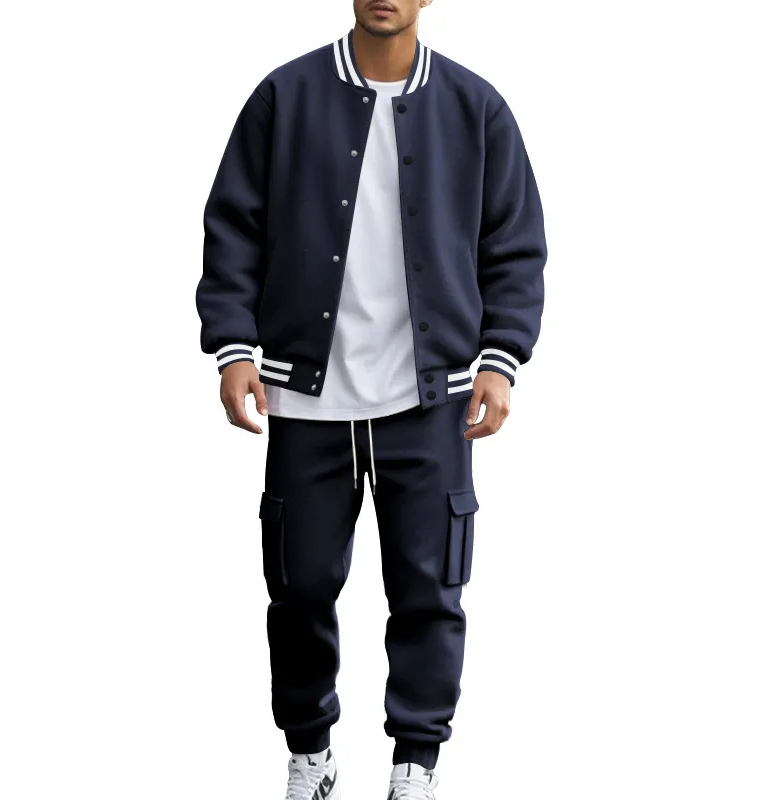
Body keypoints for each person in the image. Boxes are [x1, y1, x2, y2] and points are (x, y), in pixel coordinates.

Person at [196, 0, 547, 797]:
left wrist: (500, 361)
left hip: (430, 400)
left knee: (430, 593)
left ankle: (414, 767)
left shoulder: (476, 108)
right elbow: (233, 227)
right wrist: (233, 346)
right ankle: (311, 757)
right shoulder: (285, 97)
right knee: (298, 590)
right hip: (305, 397)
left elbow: (514, 243)